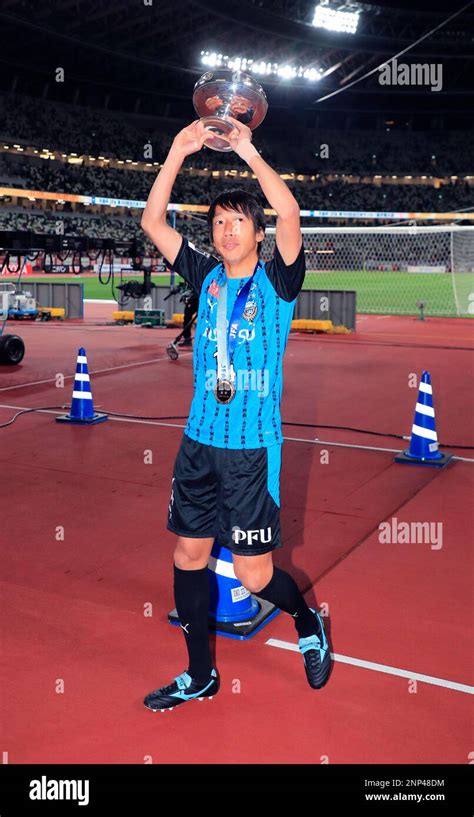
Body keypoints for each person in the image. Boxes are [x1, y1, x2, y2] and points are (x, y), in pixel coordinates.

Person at [141, 118, 331, 712]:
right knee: (188, 554)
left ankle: (306, 620)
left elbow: (292, 213)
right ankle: (200, 674)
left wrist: (246, 149)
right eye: (219, 222)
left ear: (256, 231)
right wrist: (175, 152)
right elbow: (151, 223)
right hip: (198, 443)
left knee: (253, 576)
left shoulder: (277, 281)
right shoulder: (205, 276)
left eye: (237, 222)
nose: (226, 231)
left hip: (251, 449)